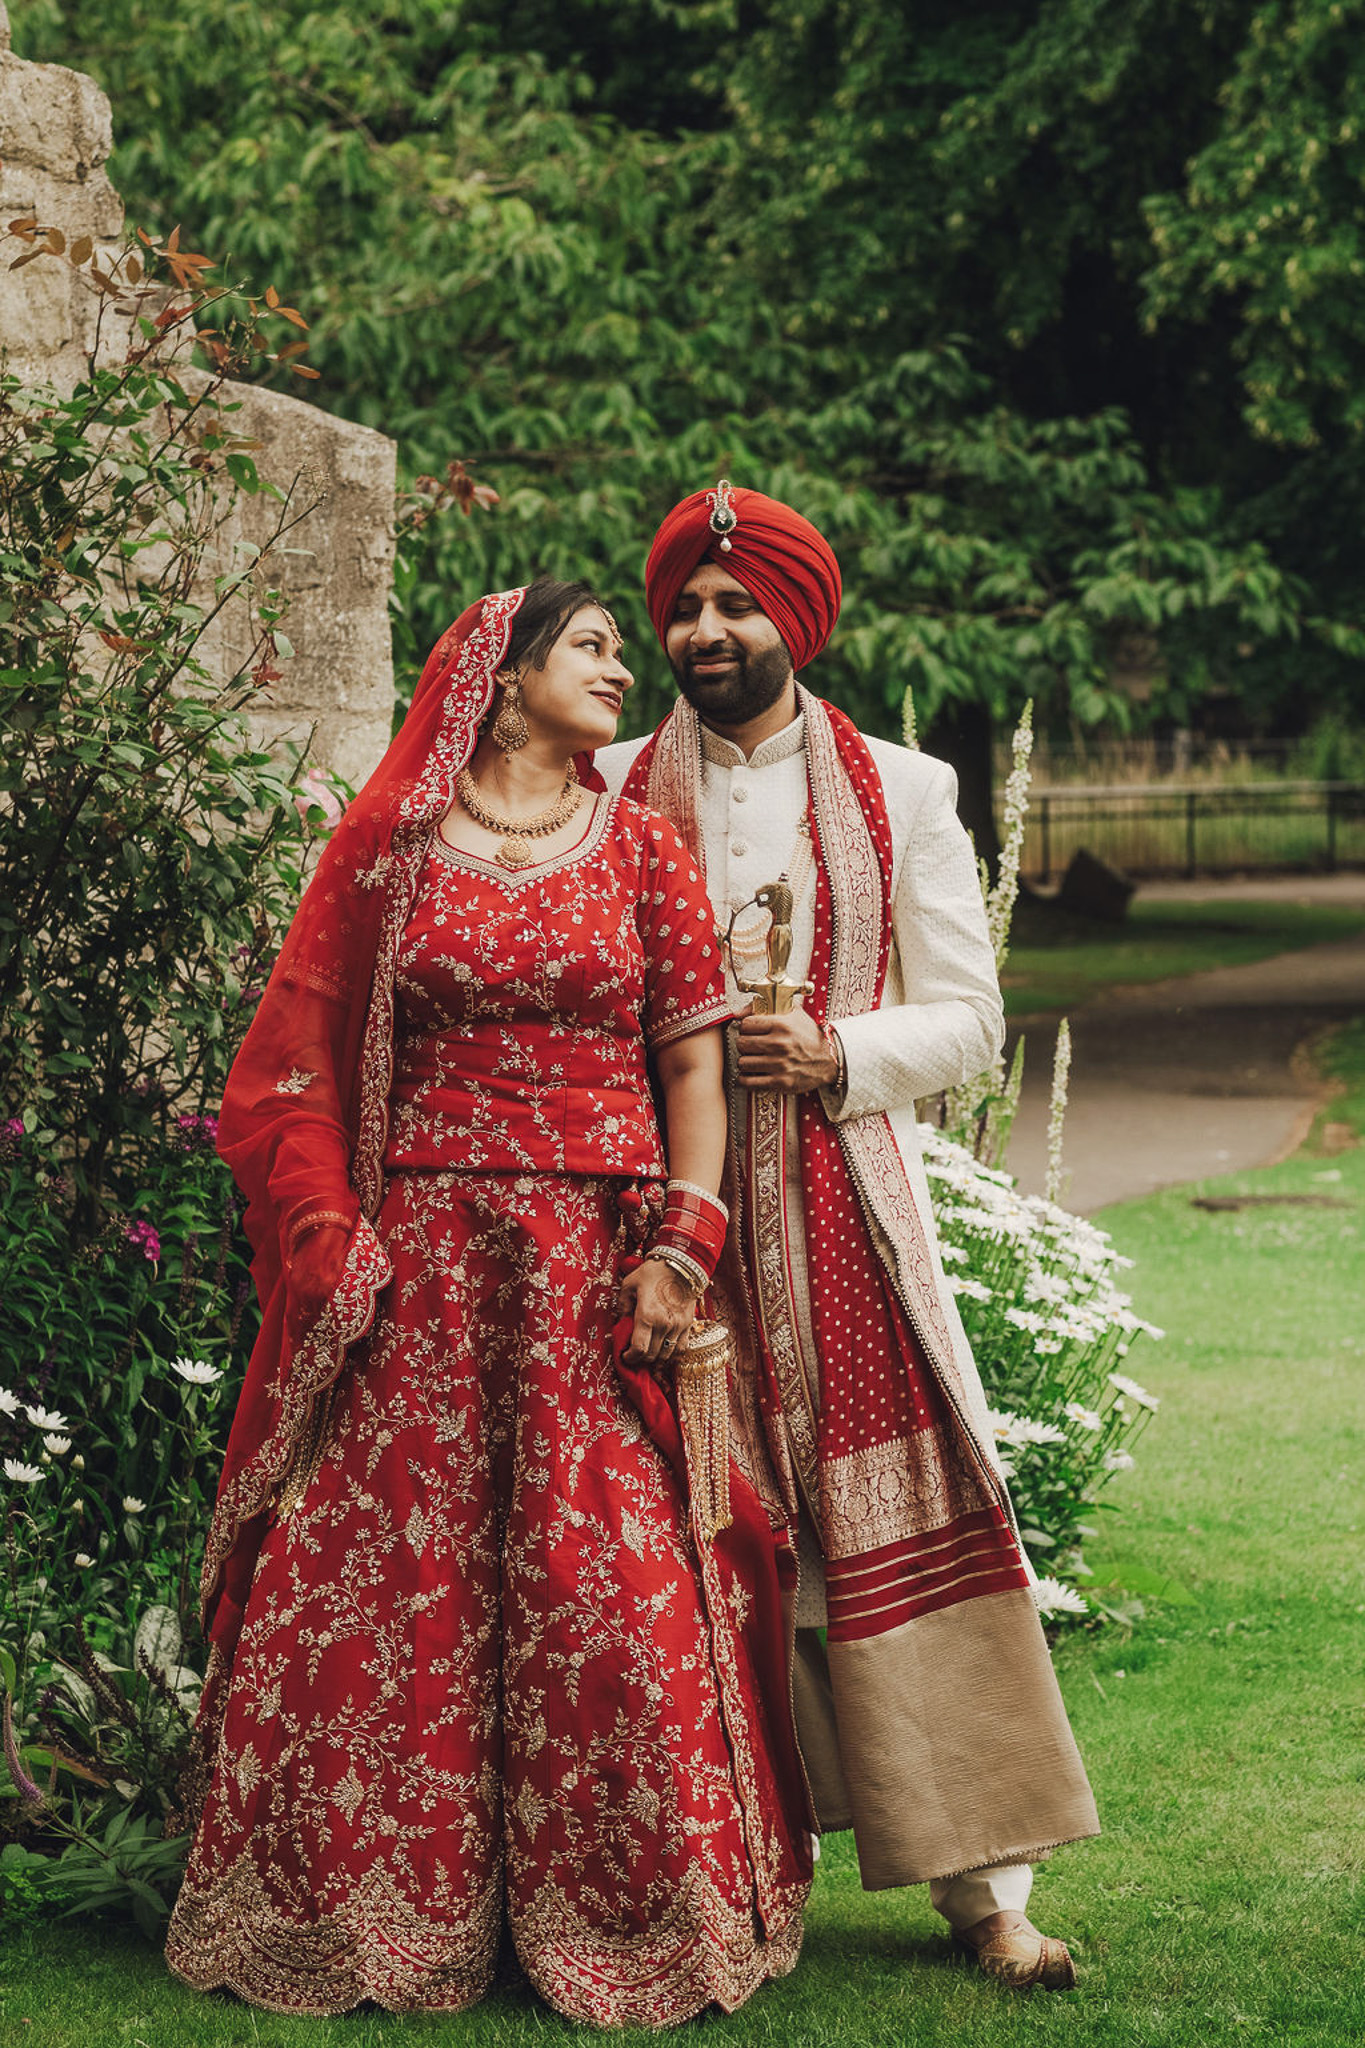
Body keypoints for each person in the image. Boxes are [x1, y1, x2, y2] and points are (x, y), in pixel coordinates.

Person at [165, 580, 812, 2025]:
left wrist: (684, 1244)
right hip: (422, 1270)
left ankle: (638, 1913)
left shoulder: (642, 850)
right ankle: (360, 1917)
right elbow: (295, 1060)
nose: (617, 670)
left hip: (595, 1262)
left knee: (609, 1577)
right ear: (503, 677)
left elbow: (693, 1069)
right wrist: (332, 1232)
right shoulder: (391, 852)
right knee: (393, 1580)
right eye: (587, 648)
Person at [595, 486, 1100, 1993]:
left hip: (842, 1209)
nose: (703, 631)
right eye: (684, 605)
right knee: (685, 1527)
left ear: (796, 621)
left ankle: (985, 1893)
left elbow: (970, 1018)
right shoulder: (605, 780)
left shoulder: (905, 788)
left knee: (901, 1513)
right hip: (658, 1215)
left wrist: (832, 1052)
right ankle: (723, 1873)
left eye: (734, 606)